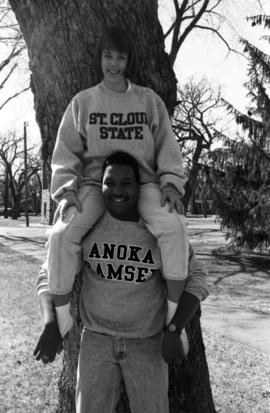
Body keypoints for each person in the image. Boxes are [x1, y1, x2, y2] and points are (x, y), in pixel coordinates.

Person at [34, 152, 209, 413]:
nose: (117, 190)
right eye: (110, 182)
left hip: (148, 343)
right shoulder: (85, 226)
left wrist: (175, 329)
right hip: (96, 342)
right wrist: (50, 321)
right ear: (100, 185)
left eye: (126, 183)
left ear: (139, 187)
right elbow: (49, 273)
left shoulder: (160, 229)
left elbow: (197, 279)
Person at [46, 26, 189, 338]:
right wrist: (67, 190)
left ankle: (174, 314)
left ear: (128, 61)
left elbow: (167, 144)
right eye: (108, 56)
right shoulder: (84, 102)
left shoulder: (148, 100)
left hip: (145, 183)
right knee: (60, 235)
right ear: (99, 58)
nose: (113, 63)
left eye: (120, 57)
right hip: (98, 185)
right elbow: (66, 151)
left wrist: (170, 182)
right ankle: (61, 317)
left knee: (175, 228)